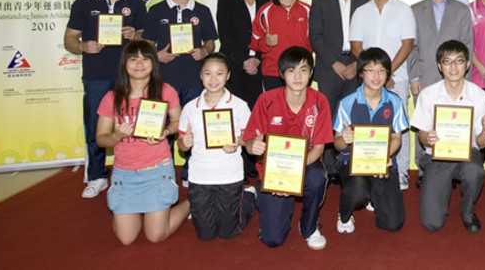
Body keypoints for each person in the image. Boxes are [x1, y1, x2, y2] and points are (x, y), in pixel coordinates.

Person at [64, 0, 147, 198]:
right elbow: (69, 38)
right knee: (95, 126)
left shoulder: (135, 3)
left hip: (130, 75)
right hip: (97, 75)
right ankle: (97, 176)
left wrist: (136, 36)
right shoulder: (84, 3)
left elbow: (145, 38)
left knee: (137, 122)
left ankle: (139, 168)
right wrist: (82, 46)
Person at [95, 40, 189, 245]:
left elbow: (179, 122)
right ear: (124, 64)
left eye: (145, 59)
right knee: (126, 239)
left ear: (153, 63)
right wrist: (117, 136)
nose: (139, 64)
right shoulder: (112, 97)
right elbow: (101, 139)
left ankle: (191, 202)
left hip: (157, 170)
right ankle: (134, 211)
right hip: (124, 173)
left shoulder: (165, 91)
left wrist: (165, 132)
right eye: (133, 59)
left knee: (155, 236)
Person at [243, 46, 333, 250]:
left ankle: (309, 227)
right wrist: (252, 146)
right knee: (272, 240)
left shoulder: (320, 101)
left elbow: (318, 150)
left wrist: (291, 175)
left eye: (303, 69)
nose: (298, 76)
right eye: (291, 70)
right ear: (282, 74)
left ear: (311, 73)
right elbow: (249, 142)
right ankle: (254, 195)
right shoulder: (266, 100)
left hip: (305, 165)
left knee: (317, 177)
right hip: (272, 170)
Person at [143, 0, 218, 183]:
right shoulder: (156, 10)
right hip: (163, 80)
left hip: (193, 79)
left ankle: (189, 173)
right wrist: (157, 55)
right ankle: (161, 171)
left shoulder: (202, 11)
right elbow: (146, 43)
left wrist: (204, 51)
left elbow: (211, 41)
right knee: (161, 128)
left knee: (192, 128)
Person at [410, 40, 485, 234]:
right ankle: (440, 194)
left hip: (468, 155)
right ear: (440, 66)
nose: (453, 67)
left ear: (467, 64)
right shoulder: (428, 94)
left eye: (459, 61)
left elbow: (482, 145)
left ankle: (467, 212)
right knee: (431, 223)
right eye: (447, 61)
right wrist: (427, 139)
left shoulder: (480, 96)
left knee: (475, 172)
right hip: (437, 156)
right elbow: (421, 135)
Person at [350, 0, 416, 190]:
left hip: (397, 76)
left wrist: (387, 72)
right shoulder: (361, 11)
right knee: (367, 123)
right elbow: (356, 45)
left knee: (399, 127)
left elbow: (407, 45)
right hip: (368, 79)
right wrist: (373, 73)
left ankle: (402, 172)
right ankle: (369, 165)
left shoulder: (404, 10)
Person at [177, 53, 256, 240]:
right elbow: (181, 143)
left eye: (219, 74)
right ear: (200, 75)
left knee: (228, 233)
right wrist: (184, 143)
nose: (213, 79)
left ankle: (249, 197)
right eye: (208, 74)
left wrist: (238, 141)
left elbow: (248, 137)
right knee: (205, 235)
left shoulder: (239, 106)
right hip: (199, 177)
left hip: (229, 175)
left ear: (228, 75)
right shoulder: (190, 108)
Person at [333, 48, 408, 234]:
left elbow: (397, 138)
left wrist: (383, 157)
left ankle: (374, 194)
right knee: (357, 193)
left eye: (382, 70)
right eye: (371, 70)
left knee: (393, 224)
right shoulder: (347, 102)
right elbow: (337, 144)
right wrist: (345, 139)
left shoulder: (395, 101)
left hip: (383, 162)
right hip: (352, 161)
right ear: (361, 73)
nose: (377, 76)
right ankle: (344, 213)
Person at [309, 0, 369, 182]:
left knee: (353, 116)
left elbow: (369, 36)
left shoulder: (365, 0)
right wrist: (334, 62)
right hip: (328, 66)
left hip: (356, 65)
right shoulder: (320, 0)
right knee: (327, 117)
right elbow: (315, 36)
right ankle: (329, 167)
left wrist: (357, 63)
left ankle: (351, 162)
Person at [216, 0, 270, 178]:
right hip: (235, 67)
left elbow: (268, 33)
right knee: (236, 115)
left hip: (258, 66)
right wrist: (243, 61)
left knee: (254, 116)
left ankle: (251, 164)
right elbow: (225, 35)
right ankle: (233, 163)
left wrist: (257, 58)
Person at [408, 0, 474, 98]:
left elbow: (467, 46)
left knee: (453, 117)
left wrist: (466, 80)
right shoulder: (415, 10)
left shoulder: (462, 10)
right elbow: (412, 47)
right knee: (425, 118)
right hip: (424, 77)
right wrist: (414, 77)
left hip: (455, 75)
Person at [250, 0, 312, 91]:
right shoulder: (264, 11)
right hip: (273, 72)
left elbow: (315, 40)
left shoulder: (308, 11)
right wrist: (266, 43)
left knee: (299, 110)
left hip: (300, 72)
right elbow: (254, 43)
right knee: (275, 110)